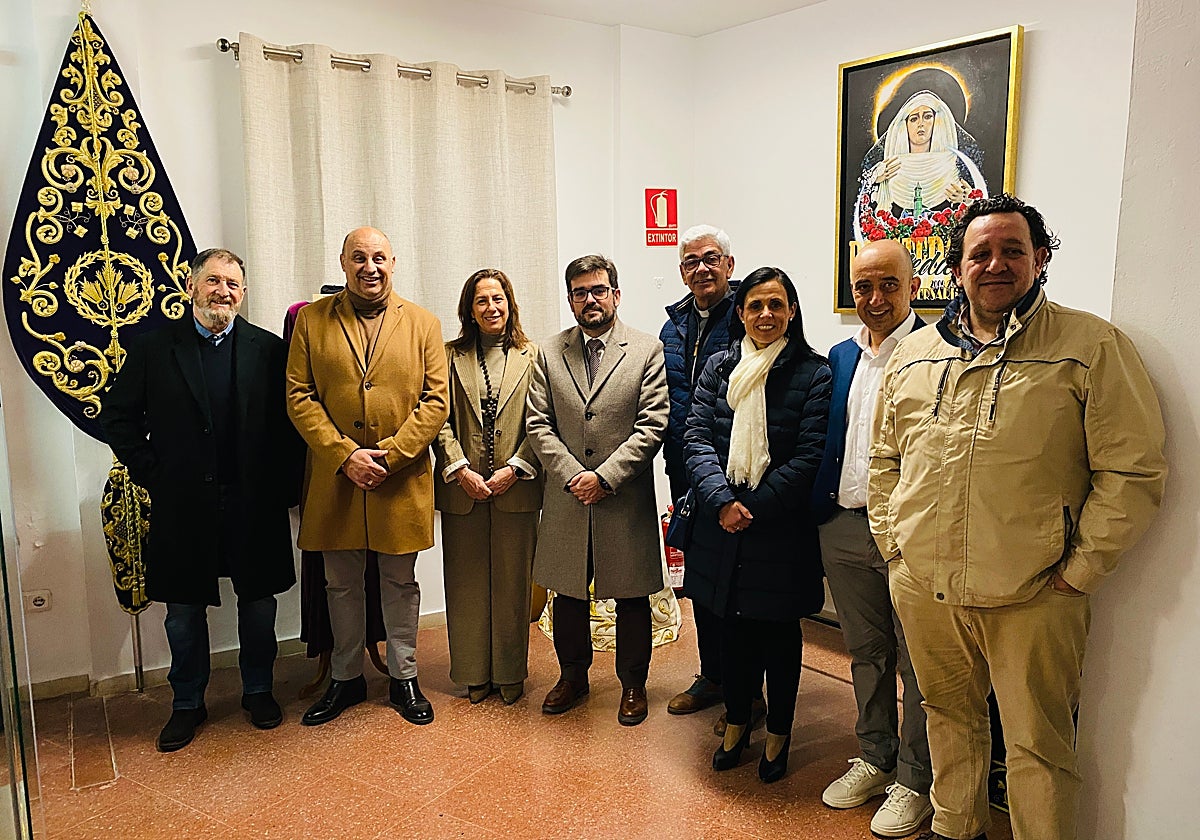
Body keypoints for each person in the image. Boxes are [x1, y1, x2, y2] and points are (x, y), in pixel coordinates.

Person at [869, 194, 1167, 840]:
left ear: (1041, 258)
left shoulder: (1090, 347)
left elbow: (1134, 471)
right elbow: (884, 461)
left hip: (1036, 597)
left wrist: (1077, 572)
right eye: (980, 252)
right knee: (947, 720)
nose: (995, 264)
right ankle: (956, 828)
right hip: (927, 590)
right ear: (957, 267)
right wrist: (898, 555)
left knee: (1036, 749)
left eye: (1012, 250)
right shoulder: (916, 356)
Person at [101, 248, 302, 752]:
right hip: (183, 505)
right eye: (214, 281)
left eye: (234, 284)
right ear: (191, 287)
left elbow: (290, 429)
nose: (224, 292)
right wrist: (155, 474)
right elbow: (118, 420)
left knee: (258, 607)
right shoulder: (152, 348)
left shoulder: (268, 350)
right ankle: (187, 701)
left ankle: (258, 690)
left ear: (244, 294)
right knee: (182, 614)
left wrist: (284, 487)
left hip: (253, 503)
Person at [286, 226, 449, 727]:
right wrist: (345, 454)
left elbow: (436, 400)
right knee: (341, 584)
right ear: (343, 263)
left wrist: (391, 455)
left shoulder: (424, 323)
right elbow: (299, 395)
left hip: (399, 478)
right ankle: (345, 678)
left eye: (379, 257)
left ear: (394, 262)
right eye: (359, 257)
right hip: (337, 477)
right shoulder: (311, 321)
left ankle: (404, 677)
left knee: (400, 583)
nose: (369, 267)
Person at [682, 267, 831, 783]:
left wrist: (755, 506)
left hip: (778, 527)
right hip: (721, 522)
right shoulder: (720, 367)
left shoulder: (814, 372)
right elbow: (696, 437)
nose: (765, 315)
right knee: (730, 629)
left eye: (776, 305)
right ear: (741, 313)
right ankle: (738, 721)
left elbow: (811, 454)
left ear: (791, 311)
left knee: (779, 637)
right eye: (754, 306)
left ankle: (780, 733)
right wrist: (722, 500)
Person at [811, 239, 932, 835]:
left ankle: (915, 778)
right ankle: (876, 754)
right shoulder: (838, 356)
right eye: (863, 287)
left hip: (912, 534)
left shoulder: (939, 351)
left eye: (888, 285)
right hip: (843, 525)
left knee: (920, 661)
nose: (875, 298)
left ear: (913, 287)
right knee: (867, 652)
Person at [526, 254, 669, 726]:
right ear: (570, 300)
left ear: (616, 294)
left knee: (631, 596)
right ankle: (572, 677)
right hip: (568, 498)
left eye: (599, 290)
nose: (591, 299)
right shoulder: (548, 353)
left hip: (622, 498)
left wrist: (605, 476)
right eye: (580, 292)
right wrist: (573, 476)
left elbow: (653, 424)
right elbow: (537, 423)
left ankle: (633, 684)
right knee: (567, 594)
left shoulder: (646, 349)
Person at [660, 224, 761, 730]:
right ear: (681, 271)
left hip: (735, 475)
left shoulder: (750, 314)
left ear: (729, 264)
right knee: (701, 583)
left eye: (711, 258)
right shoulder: (673, 324)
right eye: (691, 261)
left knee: (740, 591)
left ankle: (750, 691)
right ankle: (713, 676)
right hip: (686, 473)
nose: (701, 268)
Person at [433, 268, 542, 706]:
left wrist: (515, 467)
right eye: (482, 301)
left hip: (515, 486)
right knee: (466, 584)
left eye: (498, 299)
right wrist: (460, 468)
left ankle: (511, 673)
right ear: (469, 309)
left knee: (514, 584)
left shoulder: (533, 355)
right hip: (465, 487)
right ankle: (474, 673)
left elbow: (543, 421)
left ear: (510, 304)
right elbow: (437, 418)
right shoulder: (446, 355)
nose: (491, 308)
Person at [861, 90, 984, 218]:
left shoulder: (956, 164)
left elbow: (982, 207)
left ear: (937, 121)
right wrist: (873, 179)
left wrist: (968, 201)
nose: (921, 124)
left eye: (927, 117)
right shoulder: (888, 168)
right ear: (904, 125)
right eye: (914, 119)